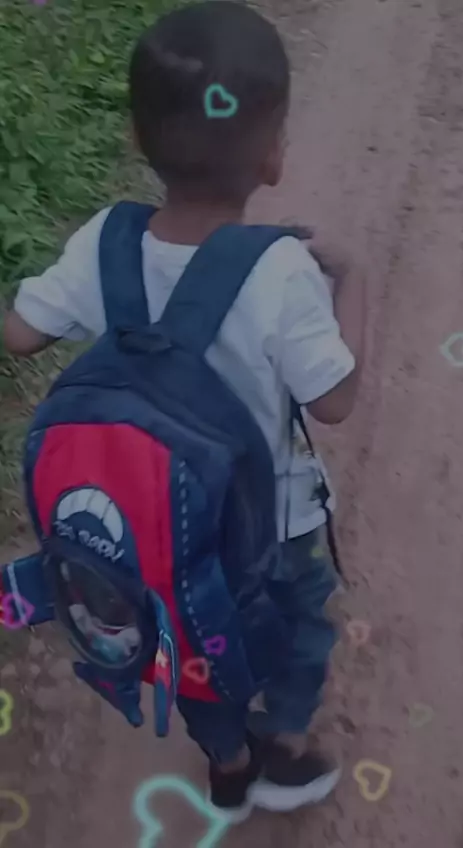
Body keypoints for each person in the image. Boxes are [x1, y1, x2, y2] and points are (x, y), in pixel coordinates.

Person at [2, 0, 365, 820]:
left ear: (136, 138)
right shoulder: (282, 273)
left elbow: (20, 335)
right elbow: (336, 400)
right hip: (272, 524)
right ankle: (284, 748)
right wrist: (355, 283)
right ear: (273, 157)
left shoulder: (104, 239)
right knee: (300, 627)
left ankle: (228, 764)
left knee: (190, 635)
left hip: (157, 520)